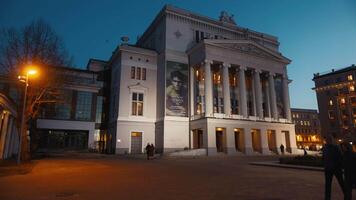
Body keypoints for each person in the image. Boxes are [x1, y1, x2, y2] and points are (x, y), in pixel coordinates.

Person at [322, 135, 345, 200]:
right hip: (329, 169)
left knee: (341, 183)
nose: (327, 141)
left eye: (328, 140)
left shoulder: (335, 147)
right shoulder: (326, 148)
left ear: (330, 140)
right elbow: (324, 158)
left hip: (335, 168)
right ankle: (327, 198)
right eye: (326, 140)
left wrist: (339, 166)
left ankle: (347, 195)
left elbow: (340, 157)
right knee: (328, 185)